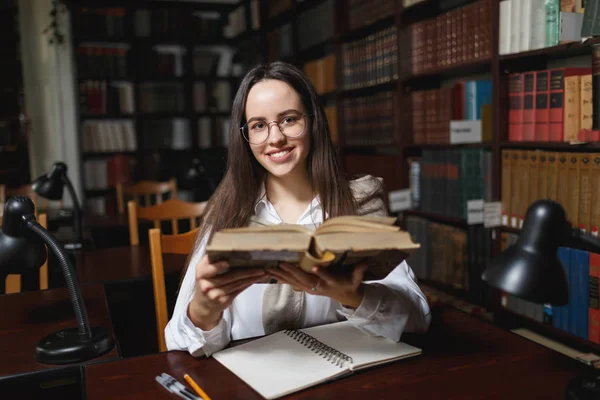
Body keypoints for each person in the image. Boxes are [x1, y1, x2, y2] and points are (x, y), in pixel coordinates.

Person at [165, 61, 431, 357]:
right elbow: (177, 341)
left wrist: (354, 296)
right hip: (252, 382)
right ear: (245, 136)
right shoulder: (228, 212)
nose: (275, 138)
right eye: (258, 125)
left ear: (313, 121)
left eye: (289, 119)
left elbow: (418, 316)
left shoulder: (358, 202)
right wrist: (203, 309)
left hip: (342, 375)